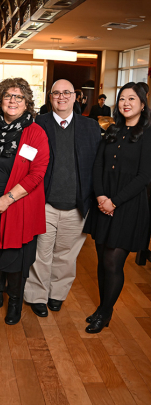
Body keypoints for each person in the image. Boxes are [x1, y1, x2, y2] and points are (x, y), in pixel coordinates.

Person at [24, 80, 101, 317]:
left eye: (66, 92)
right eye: (56, 93)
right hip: (44, 202)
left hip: (77, 205)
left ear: (75, 97)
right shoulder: (38, 124)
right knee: (41, 254)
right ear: (50, 97)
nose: (61, 97)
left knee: (66, 255)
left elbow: (97, 166)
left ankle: (57, 294)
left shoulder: (90, 127)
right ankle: (37, 295)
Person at [0, 78, 49, 325]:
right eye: (8, 96)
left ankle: (15, 302)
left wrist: (7, 199)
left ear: (27, 102)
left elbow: (37, 173)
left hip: (19, 205)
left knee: (17, 256)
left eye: (19, 97)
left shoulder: (35, 132)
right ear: (0, 101)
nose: (13, 101)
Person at [83, 82, 151, 333]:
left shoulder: (148, 134)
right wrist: (101, 196)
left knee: (113, 262)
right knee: (101, 261)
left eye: (132, 99)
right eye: (122, 98)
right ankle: (102, 307)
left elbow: (144, 176)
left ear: (142, 105)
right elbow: (98, 166)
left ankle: (105, 311)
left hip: (128, 207)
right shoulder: (112, 130)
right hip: (104, 205)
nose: (126, 103)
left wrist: (114, 201)